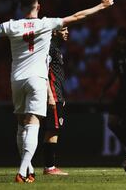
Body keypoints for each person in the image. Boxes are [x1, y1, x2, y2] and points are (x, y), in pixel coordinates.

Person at [0, 0, 114, 183]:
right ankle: (23, 171)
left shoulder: (12, 25)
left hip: (17, 79)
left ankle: (28, 168)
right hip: (37, 79)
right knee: (33, 123)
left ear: (20, 7)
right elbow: (78, 16)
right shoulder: (46, 23)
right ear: (38, 7)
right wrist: (102, 6)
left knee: (21, 124)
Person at [43, 27, 69, 175]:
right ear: (54, 32)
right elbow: (44, 70)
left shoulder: (57, 49)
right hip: (52, 93)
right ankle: (49, 167)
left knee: (53, 129)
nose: (67, 32)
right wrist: (50, 96)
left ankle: (49, 166)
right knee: (53, 129)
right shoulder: (50, 48)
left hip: (57, 93)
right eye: (64, 29)